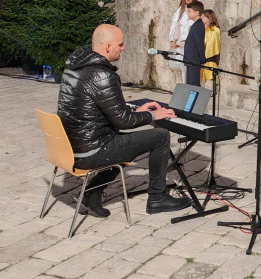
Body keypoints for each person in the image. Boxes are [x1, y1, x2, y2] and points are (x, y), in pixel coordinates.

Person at [57, 24, 191, 217]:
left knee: (123, 141)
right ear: (107, 47)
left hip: (69, 147)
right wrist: (154, 115)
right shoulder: (102, 75)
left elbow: (103, 110)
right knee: (160, 136)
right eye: (120, 44)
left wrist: (137, 110)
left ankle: (91, 194)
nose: (123, 47)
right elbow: (123, 121)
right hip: (91, 151)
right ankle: (158, 198)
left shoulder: (74, 68)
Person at [169, 0, 197, 83]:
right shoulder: (180, 9)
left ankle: (187, 87)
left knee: (186, 69)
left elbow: (188, 28)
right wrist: (172, 39)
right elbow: (173, 25)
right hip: (178, 43)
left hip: (186, 44)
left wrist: (181, 42)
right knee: (180, 68)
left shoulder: (193, 11)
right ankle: (182, 87)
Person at [183, 1, 205, 87]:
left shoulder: (198, 26)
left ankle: (194, 96)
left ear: (196, 13)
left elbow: (200, 43)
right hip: (190, 60)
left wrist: (202, 59)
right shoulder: (196, 25)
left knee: (193, 85)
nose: (187, 13)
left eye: (189, 11)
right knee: (190, 84)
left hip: (194, 60)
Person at [200, 9, 221, 89]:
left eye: (203, 17)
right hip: (202, 58)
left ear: (209, 18)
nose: (201, 18)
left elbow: (211, 44)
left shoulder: (214, 29)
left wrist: (203, 57)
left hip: (209, 57)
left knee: (209, 81)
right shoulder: (203, 28)